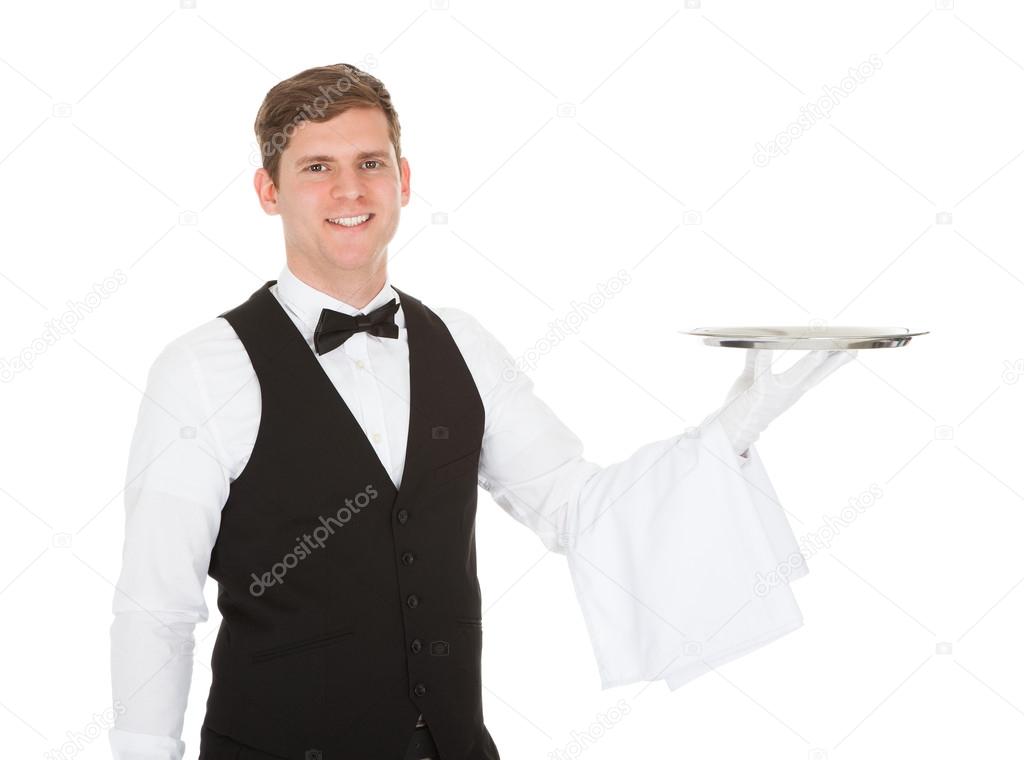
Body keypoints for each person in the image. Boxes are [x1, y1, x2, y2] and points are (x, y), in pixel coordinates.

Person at [108, 63, 855, 760]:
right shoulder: (203, 369)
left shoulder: (461, 343)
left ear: (402, 179)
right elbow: (158, 606)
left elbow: (574, 507)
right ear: (268, 191)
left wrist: (733, 430)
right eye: (316, 168)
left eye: (370, 164)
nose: (349, 191)